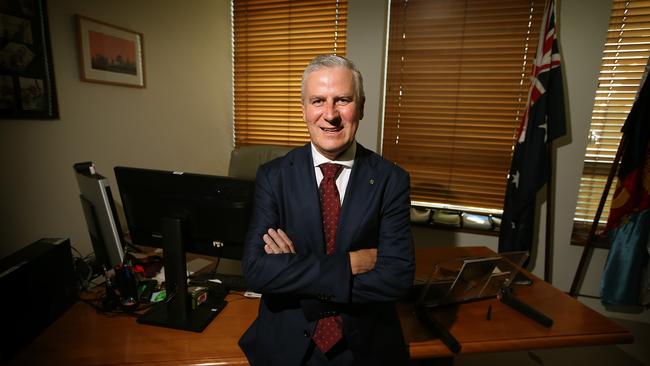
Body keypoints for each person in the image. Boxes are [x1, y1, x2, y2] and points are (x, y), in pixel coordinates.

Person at [238, 54, 414, 365]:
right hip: (285, 346)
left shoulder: (391, 179)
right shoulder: (273, 176)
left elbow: (397, 277)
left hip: (364, 348)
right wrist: (349, 263)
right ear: (303, 108)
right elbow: (256, 272)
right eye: (318, 100)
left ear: (360, 105)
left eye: (342, 100)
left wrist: (294, 273)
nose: (329, 115)